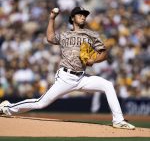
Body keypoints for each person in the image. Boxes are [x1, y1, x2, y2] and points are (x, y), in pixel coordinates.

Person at [0, 7, 135, 130]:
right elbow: (50, 38)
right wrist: (52, 18)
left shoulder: (91, 34)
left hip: (82, 77)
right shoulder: (65, 35)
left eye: (84, 15)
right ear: (72, 18)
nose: (83, 17)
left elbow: (104, 53)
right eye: (80, 14)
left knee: (108, 85)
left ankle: (118, 120)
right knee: (40, 103)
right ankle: (7, 108)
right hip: (65, 77)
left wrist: (94, 59)